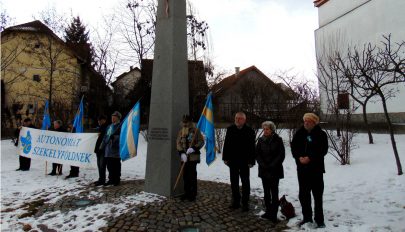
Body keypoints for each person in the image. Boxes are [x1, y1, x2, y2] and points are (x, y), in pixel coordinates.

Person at [291, 113, 328, 228]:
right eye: (305, 120)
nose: (306, 123)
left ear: (314, 122)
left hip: (316, 169)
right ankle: (307, 218)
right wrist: (299, 158)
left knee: (317, 195)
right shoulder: (299, 133)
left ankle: (319, 220)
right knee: (304, 195)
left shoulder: (321, 134)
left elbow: (323, 150)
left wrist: (310, 158)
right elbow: (294, 148)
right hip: (302, 170)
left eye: (309, 121)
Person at [223, 111, 256, 212]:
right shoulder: (230, 129)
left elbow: (252, 148)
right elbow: (226, 144)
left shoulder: (250, 131)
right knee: (234, 182)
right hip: (232, 161)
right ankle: (236, 201)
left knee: (245, 182)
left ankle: (245, 203)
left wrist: (251, 161)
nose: (237, 120)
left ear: (244, 120)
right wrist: (225, 158)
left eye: (240, 118)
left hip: (245, 162)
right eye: (236, 118)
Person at [255, 121, 285, 223]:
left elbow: (281, 155)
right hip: (264, 170)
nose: (265, 131)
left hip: (274, 170)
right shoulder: (260, 140)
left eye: (267, 129)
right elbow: (257, 154)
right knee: (266, 192)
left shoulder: (278, 139)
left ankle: (274, 213)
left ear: (272, 130)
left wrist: (272, 165)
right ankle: (268, 211)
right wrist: (263, 164)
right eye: (264, 129)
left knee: (274, 192)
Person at [176, 114, 204, 202]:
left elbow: (201, 141)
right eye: (183, 122)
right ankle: (186, 192)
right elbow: (178, 143)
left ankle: (193, 194)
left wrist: (193, 148)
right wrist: (181, 153)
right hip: (184, 158)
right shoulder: (181, 131)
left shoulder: (196, 130)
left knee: (192, 175)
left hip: (192, 157)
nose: (184, 124)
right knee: (185, 176)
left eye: (186, 122)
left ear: (190, 122)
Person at [100, 111, 122, 186]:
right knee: (109, 166)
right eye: (112, 117)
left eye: (114, 117)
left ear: (118, 118)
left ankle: (116, 179)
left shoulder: (120, 126)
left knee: (116, 165)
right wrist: (101, 146)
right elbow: (105, 136)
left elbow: (122, 137)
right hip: (108, 150)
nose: (112, 118)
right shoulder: (109, 126)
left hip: (115, 151)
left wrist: (115, 138)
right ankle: (111, 179)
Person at [94, 115, 108, 186]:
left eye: (100, 120)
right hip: (98, 149)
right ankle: (100, 179)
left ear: (104, 120)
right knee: (99, 165)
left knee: (102, 165)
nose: (99, 122)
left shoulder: (106, 128)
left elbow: (105, 138)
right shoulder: (100, 128)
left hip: (103, 150)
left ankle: (102, 180)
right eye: (98, 120)